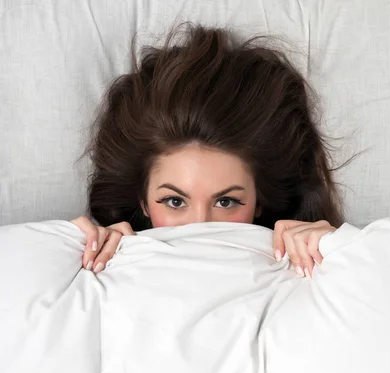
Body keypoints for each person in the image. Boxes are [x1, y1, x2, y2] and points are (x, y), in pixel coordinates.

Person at [72, 24, 346, 280]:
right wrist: (73, 248)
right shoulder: (101, 269)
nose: (200, 227)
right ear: (142, 201)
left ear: (259, 202)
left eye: (225, 202)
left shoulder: (310, 270)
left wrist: (342, 254)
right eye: (175, 202)